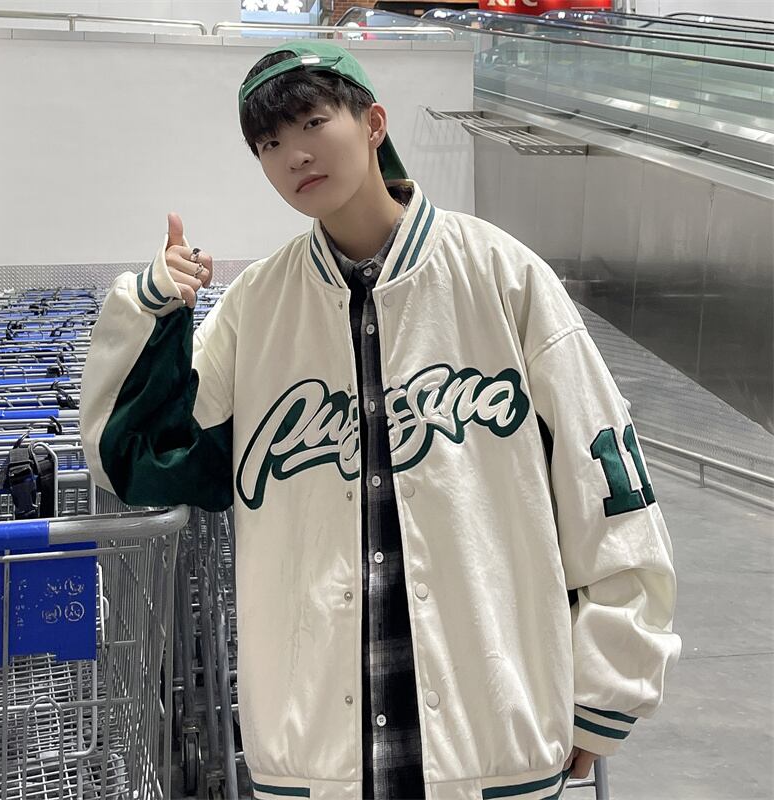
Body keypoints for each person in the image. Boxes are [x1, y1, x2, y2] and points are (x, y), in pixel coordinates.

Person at [80, 40, 681, 800]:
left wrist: (610, 683)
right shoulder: (257, 309)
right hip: (317, 752)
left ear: (373, 123)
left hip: (492, 732)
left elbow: (610, 483)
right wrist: (151, 309)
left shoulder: (500, 274)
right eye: (269, 144)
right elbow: (136, 458)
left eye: (312, 123)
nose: (294, 155)